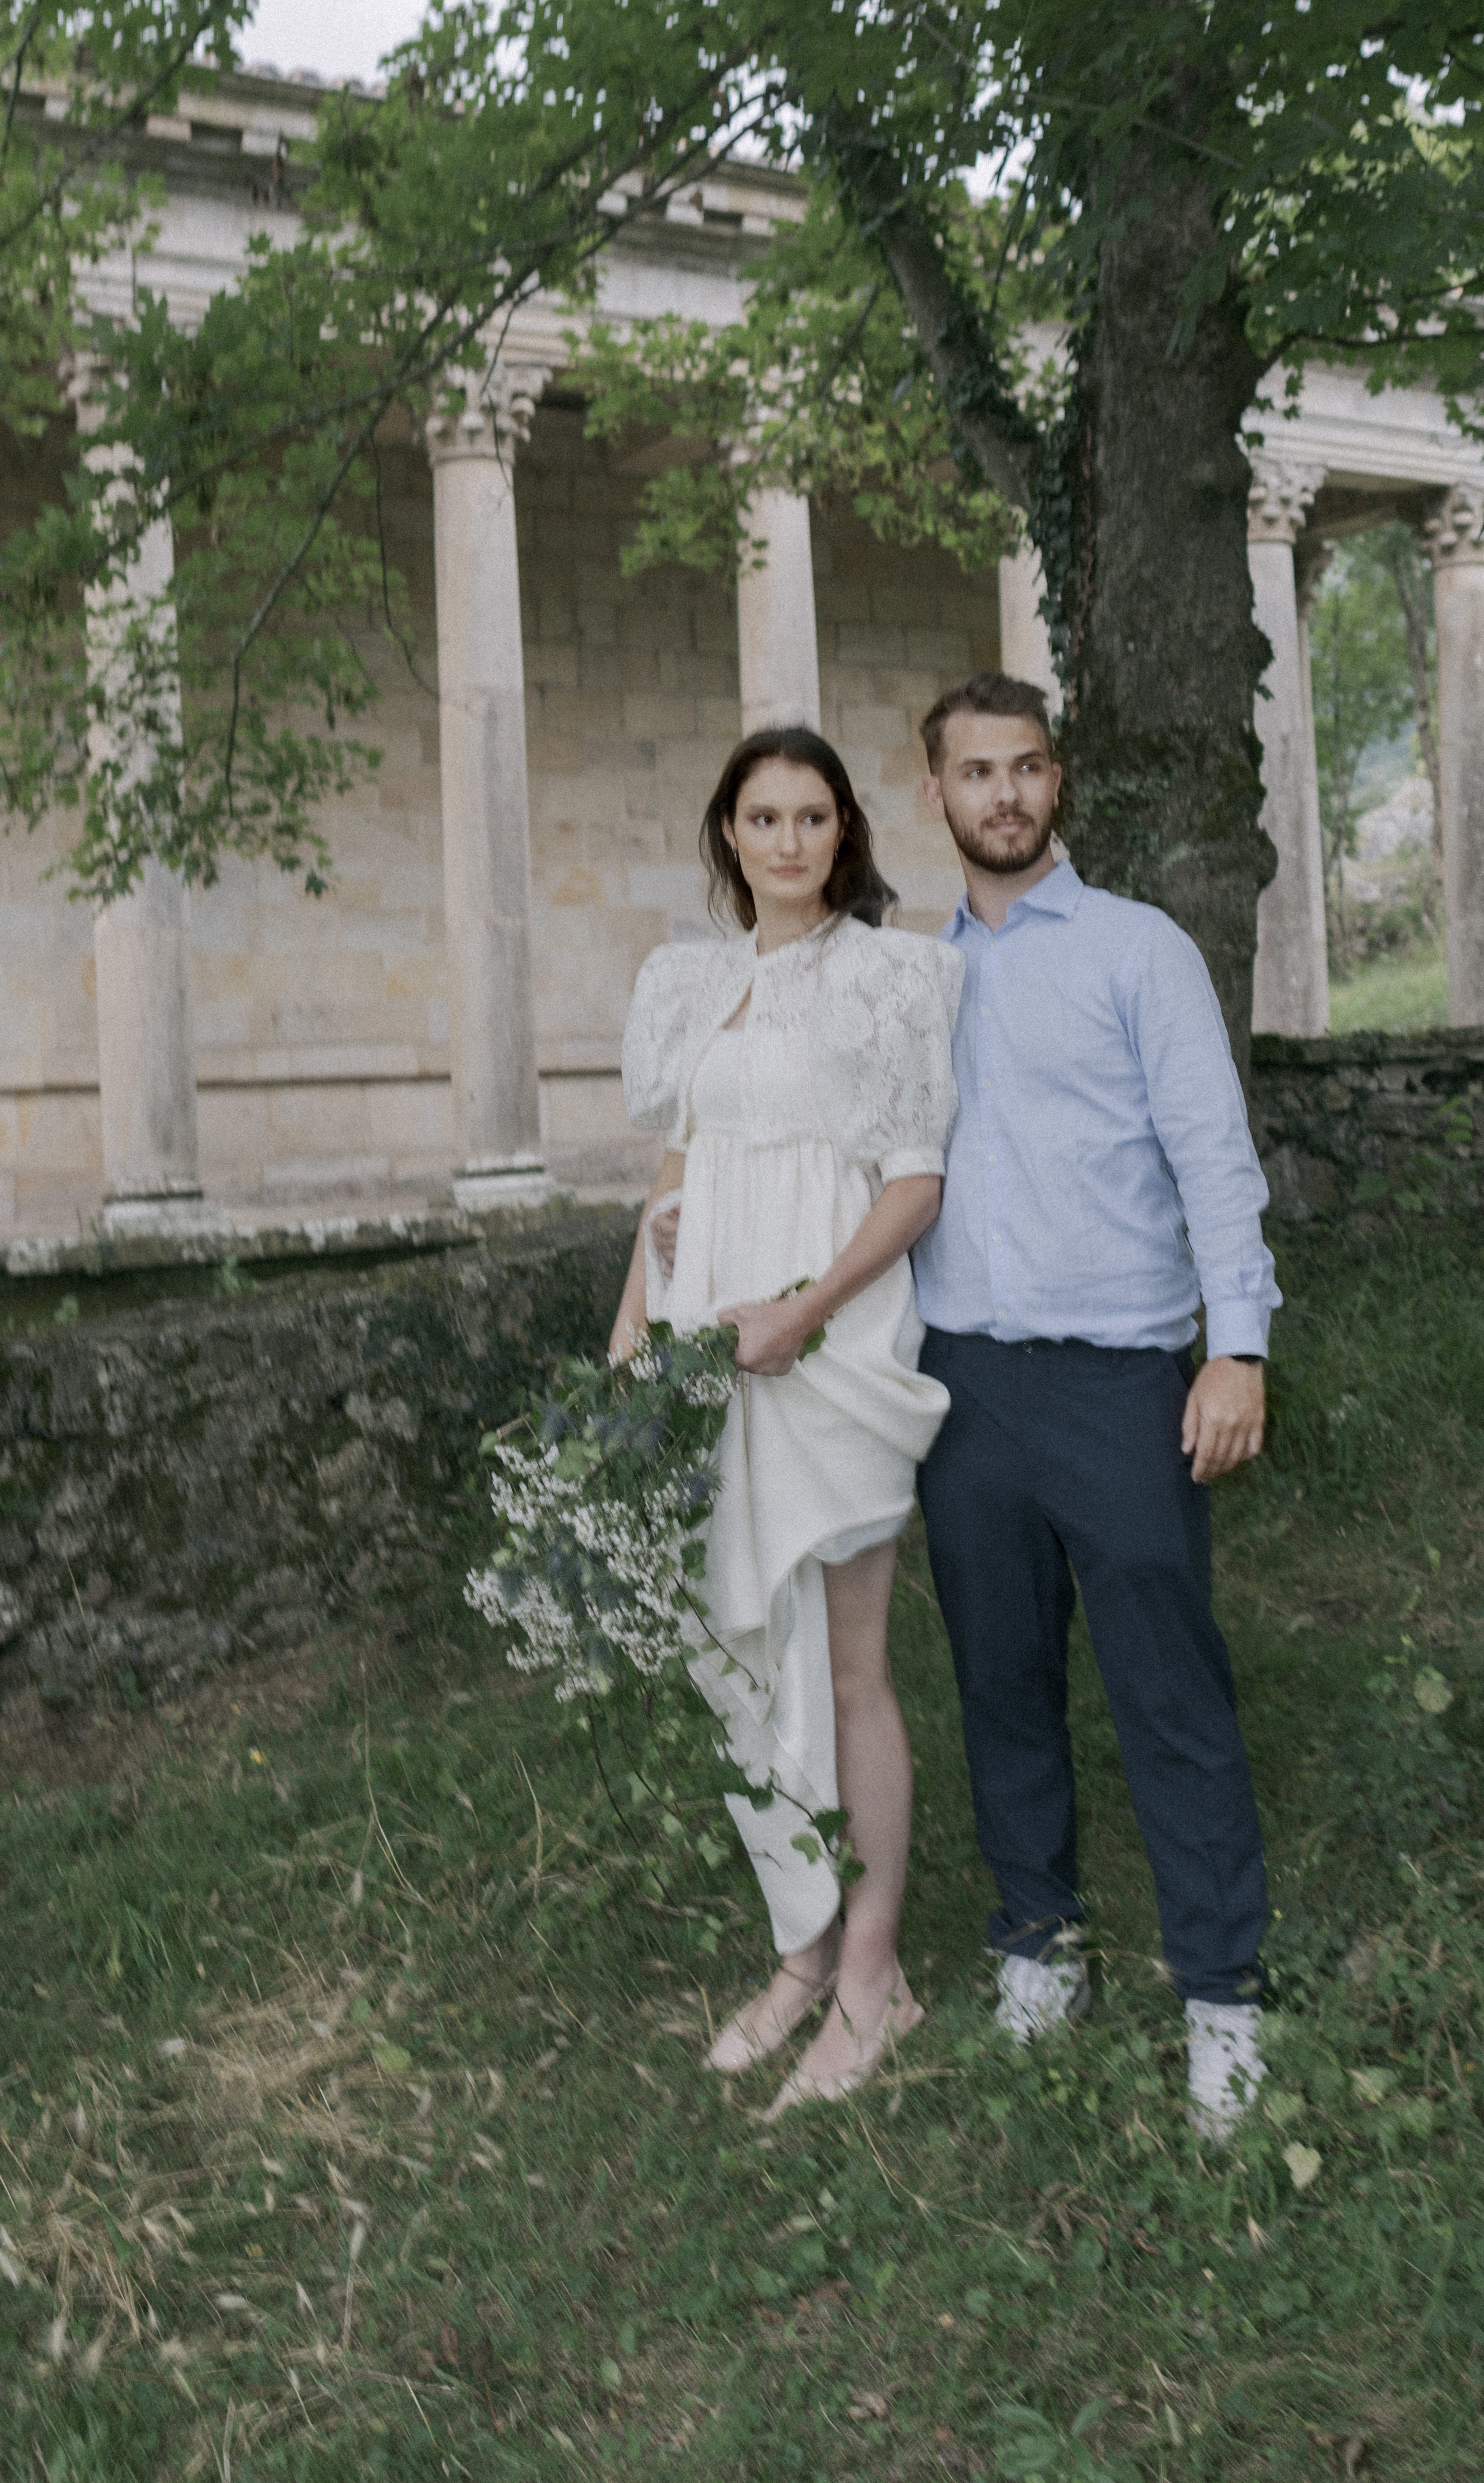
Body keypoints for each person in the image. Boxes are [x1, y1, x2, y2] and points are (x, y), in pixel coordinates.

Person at [910, 672, 1282, 2144]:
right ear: (933, 793)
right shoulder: (911, 977)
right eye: (974, 773)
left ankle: (1221, 1994)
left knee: (1165, 1686)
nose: (1003, 794)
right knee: (999, 1676)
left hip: (1122, 1372)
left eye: (1025, 767)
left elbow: (1213, 1156)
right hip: (960, 1380)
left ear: (1055, 784)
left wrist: (1233, 1347)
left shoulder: (1140, 951)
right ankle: (1036, 1941)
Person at [613, 725, 965, 2114]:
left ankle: (877, 1972)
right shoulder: (694, 984)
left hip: (829, 1341)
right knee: (745, 1658)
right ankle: (801, 1947)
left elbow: (914, 1182)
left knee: (850, 1663)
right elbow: (675, 1170)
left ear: (846, 832)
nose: (787, 841)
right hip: (709, 1338)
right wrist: (633, 1330)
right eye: (761, 817)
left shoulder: (889, 976)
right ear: (727, 833)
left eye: (812, 816)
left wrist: (802, 1311)